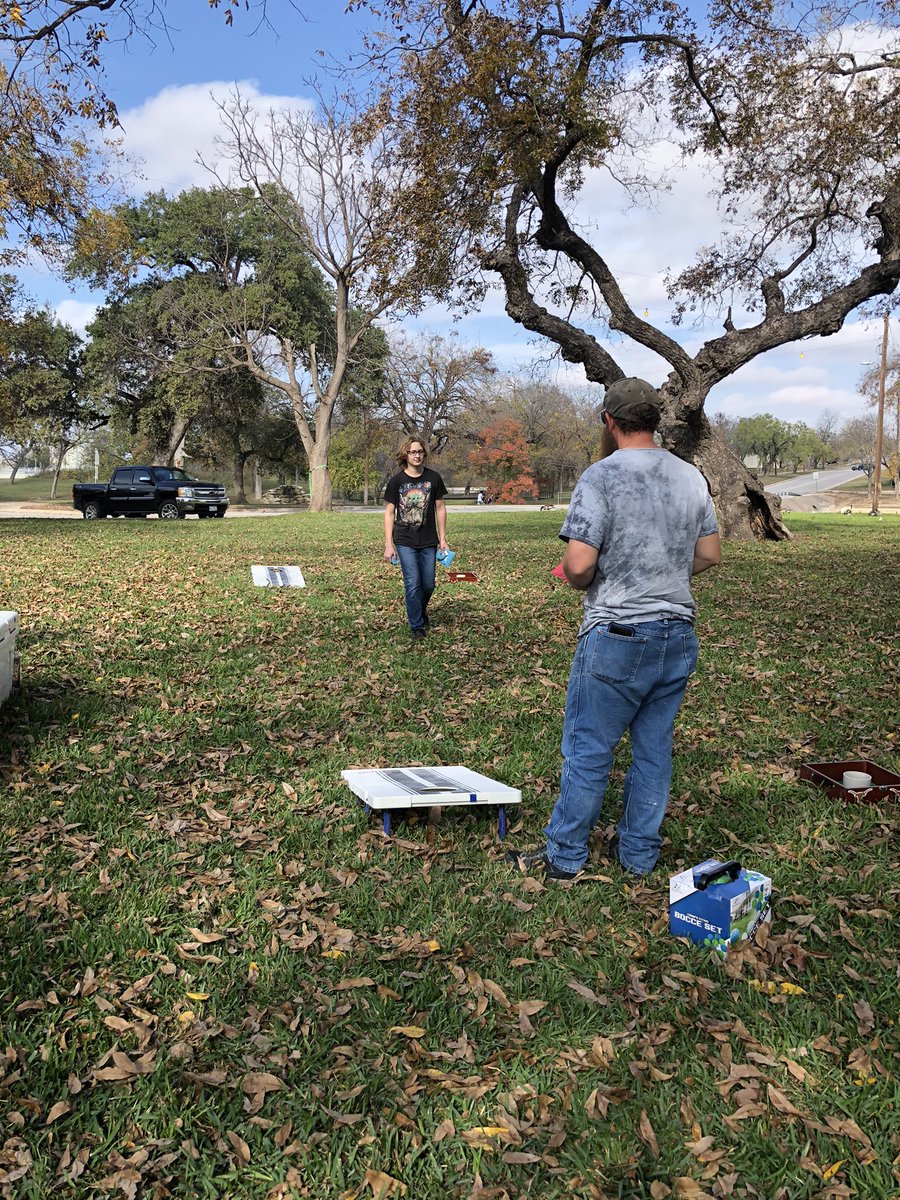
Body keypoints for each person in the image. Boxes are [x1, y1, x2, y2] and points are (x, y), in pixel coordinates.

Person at [507, 377, 721, 880]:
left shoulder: (600, 477)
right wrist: (662, 572)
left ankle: (564, 857)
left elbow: (580, 565)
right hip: (677, 635)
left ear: (609, 420)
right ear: (655, 419)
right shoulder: (691, 476)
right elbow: (710, 553)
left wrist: (576, 575)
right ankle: (638, 857)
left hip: (618, 634)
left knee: (588, 749)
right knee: (654, 751)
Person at [383, 437, 449, 638]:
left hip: (429, 540)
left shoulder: (433, 478)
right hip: (404, 540)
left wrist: (443, 539)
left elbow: (440, 508)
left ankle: (419, 610)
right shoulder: (396, 481)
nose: (417, 455)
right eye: (413, 452)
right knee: (412, 583)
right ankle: (417, 626)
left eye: (420, 451)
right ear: (405, 455)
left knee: (428, 584)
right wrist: (388, 544)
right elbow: (389, 513)